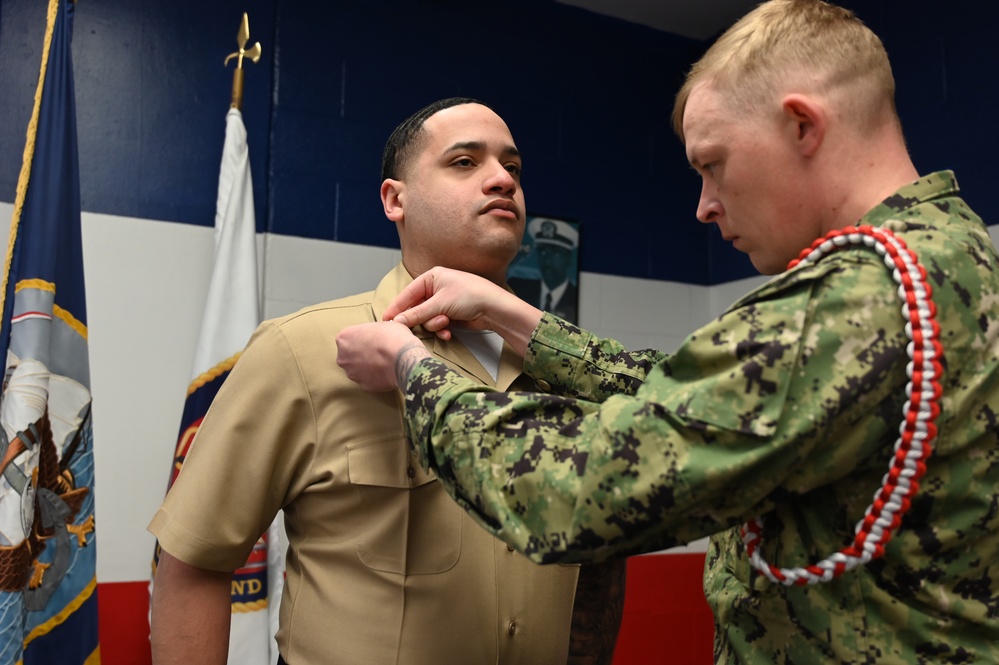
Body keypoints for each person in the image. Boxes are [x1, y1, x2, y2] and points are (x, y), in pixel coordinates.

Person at [334, 2, 999, 663]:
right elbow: (705, 399)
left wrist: (410, 369)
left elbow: (572, 493)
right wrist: (519, 318)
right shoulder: (951, 253)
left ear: (801, 125)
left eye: (712, 164)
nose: (704, 206)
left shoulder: (858, 298)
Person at [148, 98, 624, 665]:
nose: (502, 180)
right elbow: (194, 559)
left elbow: (597, 571)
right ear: (395, 200)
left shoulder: (570, 371)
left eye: (513, 168)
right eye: (465, 162)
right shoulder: (301, 350)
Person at [508, 217, 579, 323]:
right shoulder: (517, 287)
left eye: (556, 253)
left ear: (568, 259)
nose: (547, 260)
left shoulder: (573, 296)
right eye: (543, 252)